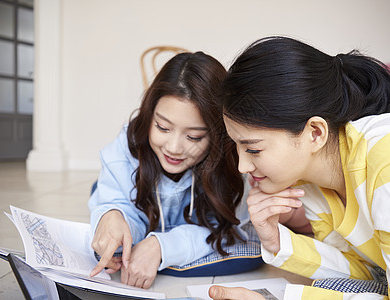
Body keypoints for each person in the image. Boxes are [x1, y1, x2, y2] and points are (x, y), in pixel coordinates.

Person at [209, 36, 390, 299]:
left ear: (315, 133)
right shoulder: (313, 185)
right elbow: (369, 273)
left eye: (253, 149)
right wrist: (275, 241)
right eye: (236, 146)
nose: (242, 166)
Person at [88, 51, 308, 289]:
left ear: (219, 135)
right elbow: (118, 200)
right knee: (104, 204)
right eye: (162, 127)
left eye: (194, 137)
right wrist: (114, 215)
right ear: (149, 116)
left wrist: (161, 246)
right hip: (145, 201)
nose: (173, 148)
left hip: (204, 213)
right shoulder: (128, 145)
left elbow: (226, 229)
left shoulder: (236, 164)